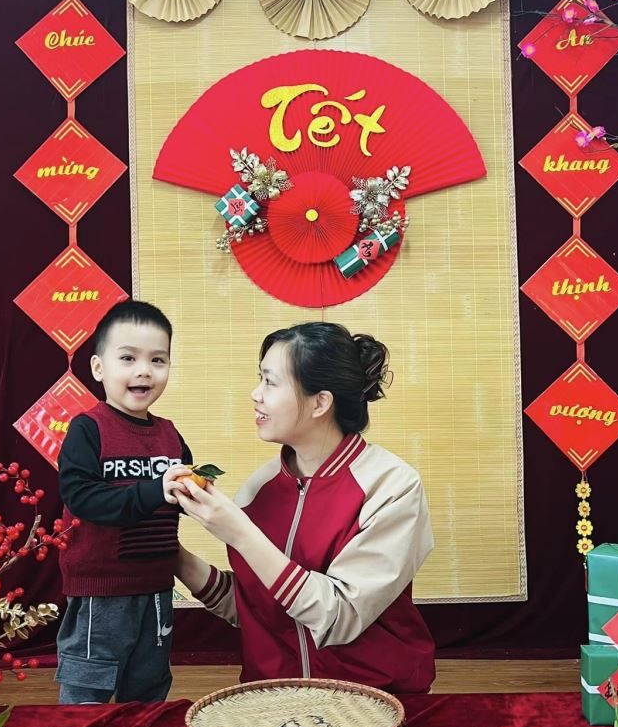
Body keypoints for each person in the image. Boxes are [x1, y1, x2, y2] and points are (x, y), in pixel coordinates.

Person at [171, 323, 436, 693]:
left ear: (320, 403)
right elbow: (253, 608)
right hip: (275, 699)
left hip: (373, 698)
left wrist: (240, 533)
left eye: (270, 382)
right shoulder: (257, 489)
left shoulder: (391, 486)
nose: (255, 394)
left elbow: (339, 617)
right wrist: (172, 555)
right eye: (259, 379)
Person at [54, 299, 191, 704]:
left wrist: (194, 495)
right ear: (99, 368)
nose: (144, 370)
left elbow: (179, 495)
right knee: (88, 694)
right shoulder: (88, 429)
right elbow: (82, 498)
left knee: (149, 690)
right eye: (128, 358)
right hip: (101, 592)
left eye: (157, 360)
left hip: (157, 588)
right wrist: (155, 491)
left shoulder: (170, 435)